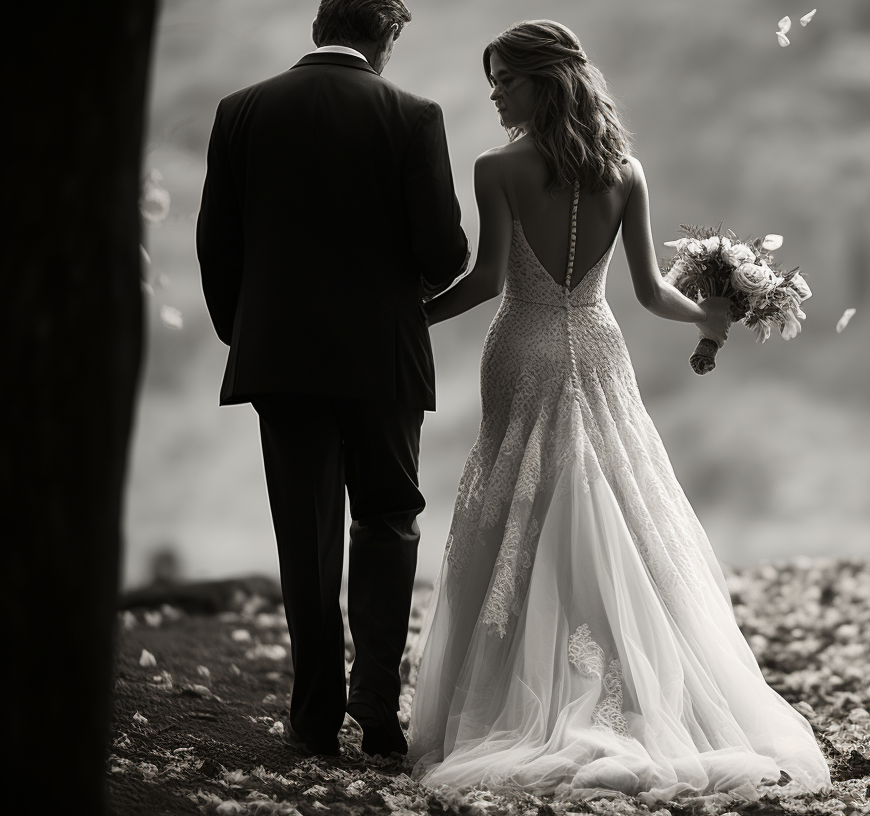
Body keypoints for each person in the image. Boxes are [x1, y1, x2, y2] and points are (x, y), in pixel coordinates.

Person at [407, 19, 831, 801]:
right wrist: (708, 321)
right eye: (491, 78)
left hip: (522, 347)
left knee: (524, 502)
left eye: (506, 78)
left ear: (545, 80)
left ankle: (527, 691)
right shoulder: (625, 171)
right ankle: (629, 682)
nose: (495, 91)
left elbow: (487, 283)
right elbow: (647, 293)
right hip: (600, 349)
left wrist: (409, 316)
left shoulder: (496, 169)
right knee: (613, 502)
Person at [197, 0, 469, 759]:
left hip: (279, 356)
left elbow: (216, 242)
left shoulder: (240, 111)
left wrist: (246, 333)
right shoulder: (413, 115)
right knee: (387, 517)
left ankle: (312, 718)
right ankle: (375, 698)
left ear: (320, 29)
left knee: (306, 536)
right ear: (385, 36)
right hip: (382, 358)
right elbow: (446, 255)